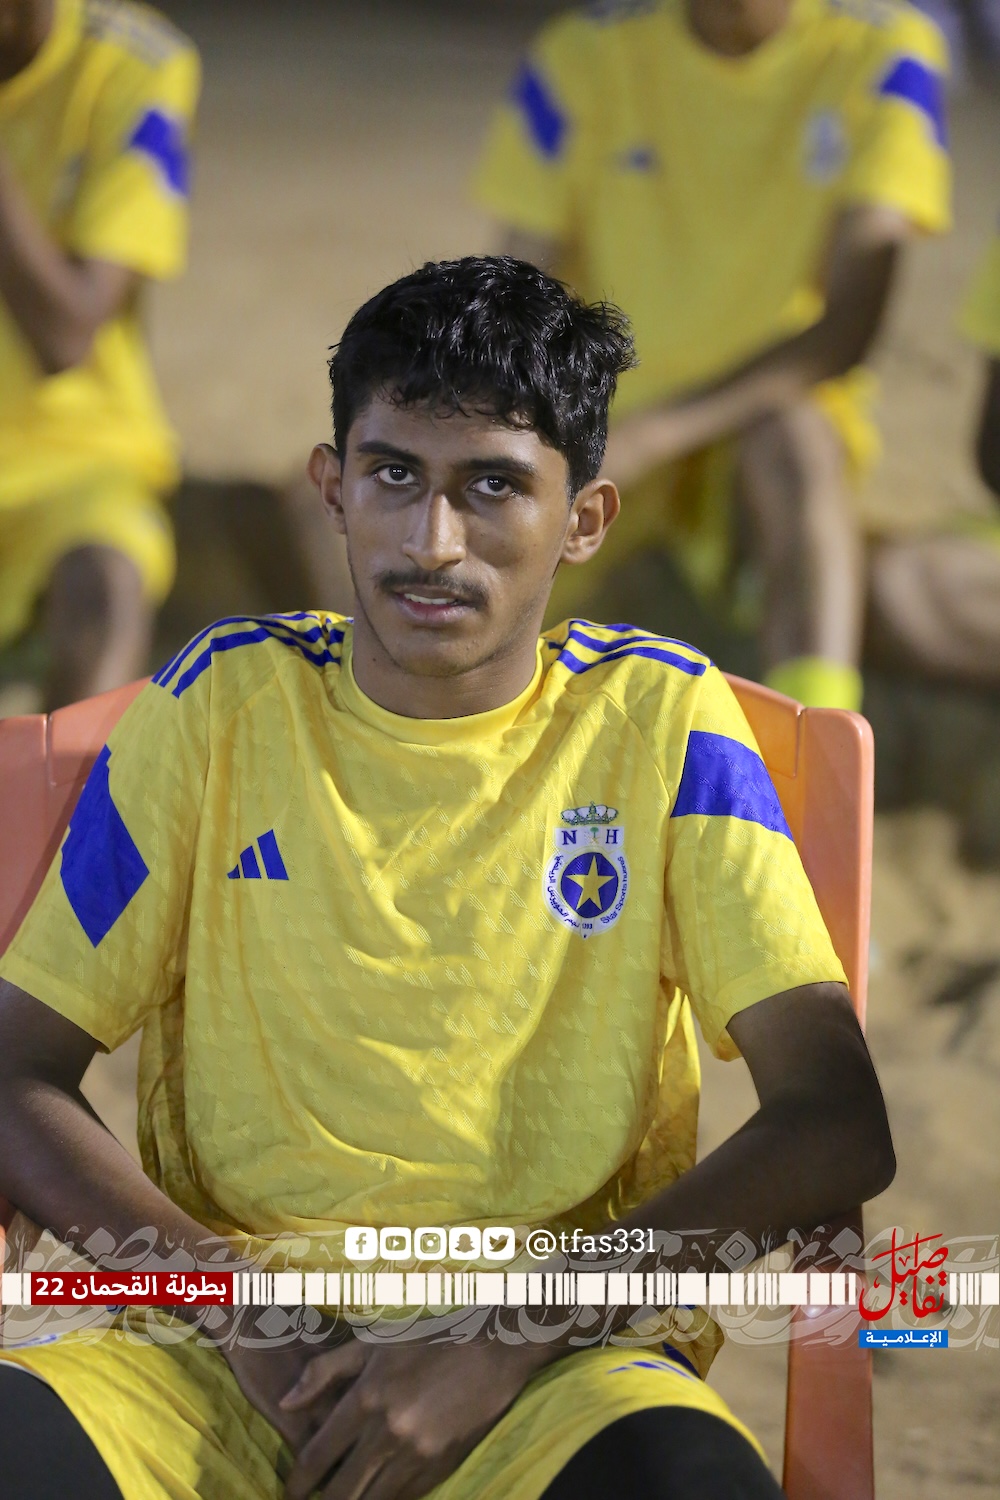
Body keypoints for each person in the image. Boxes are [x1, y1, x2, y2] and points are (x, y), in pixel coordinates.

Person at [0, 258, 894, 1500]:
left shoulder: (660, 724)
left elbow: (834, 1116)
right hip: (210, 1361)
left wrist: (505, 1337)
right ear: (332, 487)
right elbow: (13, 1069)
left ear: (584, 519)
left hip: (552, 1373)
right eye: (393, 477)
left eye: (492, 487)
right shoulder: (215, 709)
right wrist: (231, 1304)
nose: (432, 543)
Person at [472, 0, 952, 711]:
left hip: (742, 431)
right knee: (357, 508)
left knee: (795, 440)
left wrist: (654, 435)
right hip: (603, 429)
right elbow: (517, 300)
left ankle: (821, 737)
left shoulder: (884, 51)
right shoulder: (584, 54)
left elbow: (849, 327)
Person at [0, 0, 200, 709]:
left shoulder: (132, 63)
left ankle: (81, 784)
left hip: (74, 457)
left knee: (106, 585)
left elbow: (67, 332)